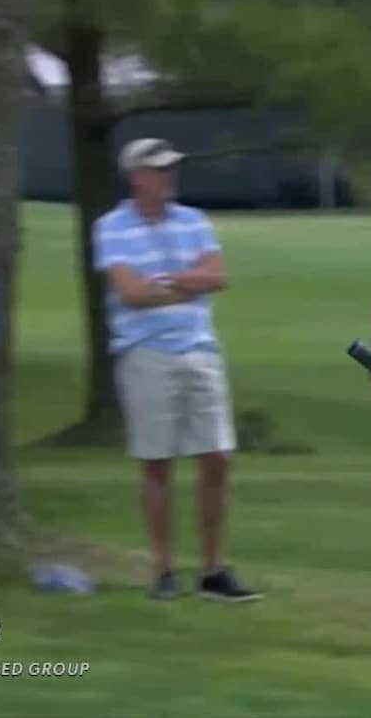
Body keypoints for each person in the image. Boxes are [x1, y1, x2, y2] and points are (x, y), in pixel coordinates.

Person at [93, 138, 260, 603]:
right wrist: (189, 283)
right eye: (159, 169)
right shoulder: (111, 227)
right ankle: (164, 569)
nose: (169, 176)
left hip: (200, 349)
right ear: (137, 177)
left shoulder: (194, 221)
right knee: (157, 462)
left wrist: (168, 281)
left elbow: (217, 277)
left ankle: (212, 569)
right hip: (145, 353)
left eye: (171, 168)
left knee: (217, 457)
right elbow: (131, 293)